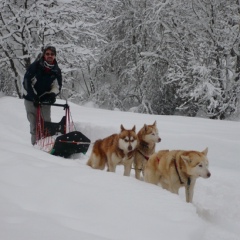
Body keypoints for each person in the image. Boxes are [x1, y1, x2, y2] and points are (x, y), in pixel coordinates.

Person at [23, 46, 62, 145]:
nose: (50, 56)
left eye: (52, 54)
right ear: (44, 55)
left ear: (54, 56)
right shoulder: (35, 66)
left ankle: (46, 145)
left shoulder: (56, 70)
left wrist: (52, 95)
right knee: (34, 123)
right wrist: (33, 97)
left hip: (45, 99)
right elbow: (26, 82)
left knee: (47, 123)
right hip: (30, 98)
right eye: (47, 54)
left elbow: (57, 85)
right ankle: (35, 145)